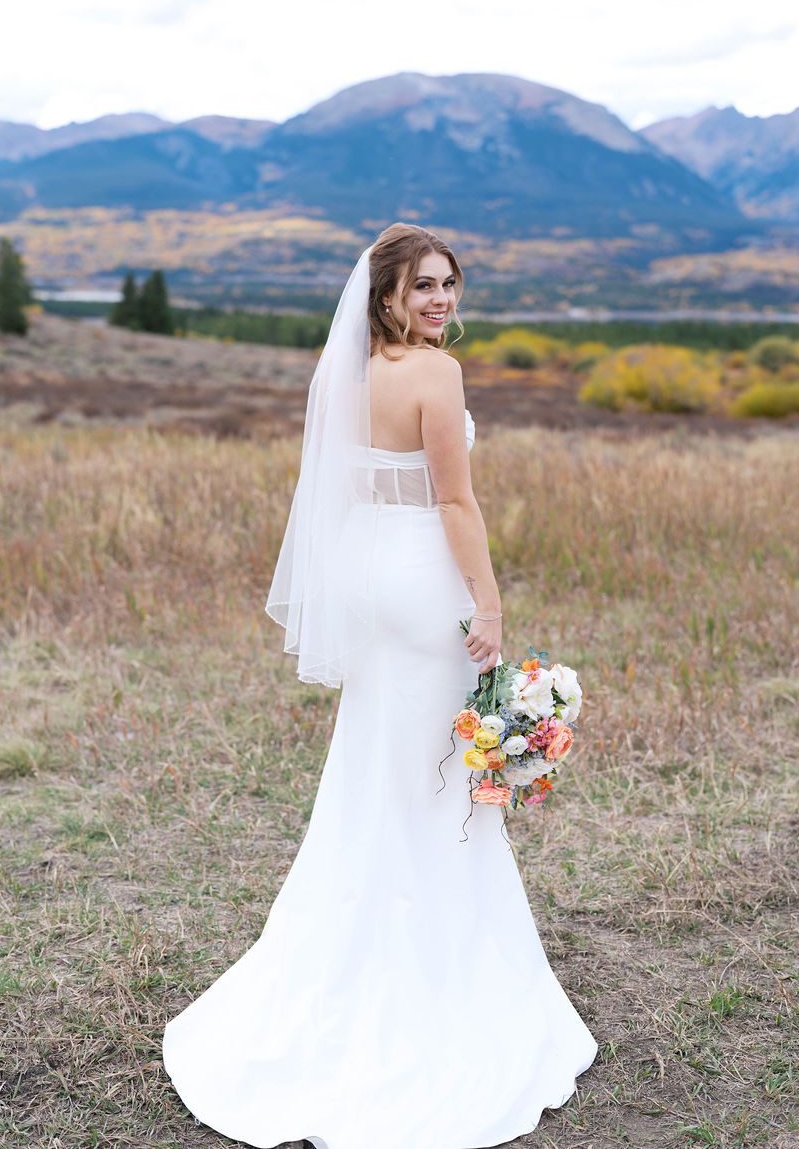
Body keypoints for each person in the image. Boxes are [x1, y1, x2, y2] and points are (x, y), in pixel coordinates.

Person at [163, 223, 597, 1149]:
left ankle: (353, 940)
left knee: (378, 766)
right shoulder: (436, 373)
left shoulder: (345, 374)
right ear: (387, 294)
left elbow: (348, 489)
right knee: (437, 778)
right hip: (422, 581)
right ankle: (435, 973)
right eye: (424, 285)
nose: (442, 300)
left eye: (450, 284)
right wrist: (487, 599)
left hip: (369, 579)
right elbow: (454, 499)